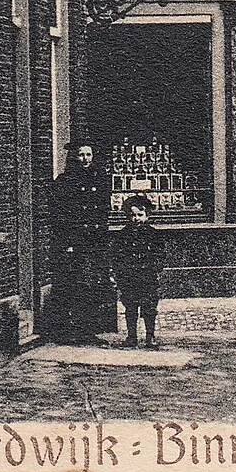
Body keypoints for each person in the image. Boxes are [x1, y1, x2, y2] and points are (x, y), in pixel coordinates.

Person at [44, 142, 117, 341]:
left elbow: (103, 211)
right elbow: (60, 214)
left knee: (92, 285)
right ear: (74, 157)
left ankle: (89, 330)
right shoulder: (65, 181)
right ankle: (69, 330)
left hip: (94, 241)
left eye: (88, 154)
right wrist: (67, 241)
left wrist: (102, 237)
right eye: (81, 155)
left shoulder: (101, 179)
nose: (85, 159)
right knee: (73, 285)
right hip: (74, 242)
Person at [113, 194, 164, 348]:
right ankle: (132, 336)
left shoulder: (154, 235)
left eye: (140, 215)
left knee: (149, 308)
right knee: (131, 307)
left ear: (147, 215)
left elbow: (160, 255)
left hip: (148, 277)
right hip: (129, 277)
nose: (136, 219)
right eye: (132, 215)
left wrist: (155, 268)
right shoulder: (122, 235)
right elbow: (117, 256)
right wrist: (119, 273)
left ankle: (150, 336)